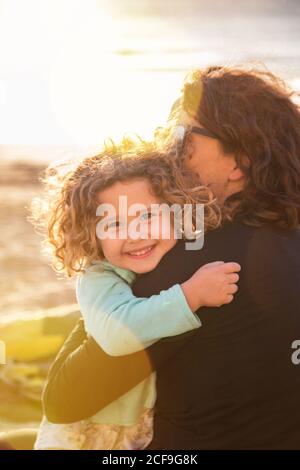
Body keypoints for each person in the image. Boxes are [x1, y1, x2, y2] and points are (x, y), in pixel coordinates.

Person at [42, 65, 300, 449]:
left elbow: (64, 400)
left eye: (182, 137)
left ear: (238, 163)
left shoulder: (197, 267)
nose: (168, 149)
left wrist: (105, 277)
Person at [33, 144, 240, 449]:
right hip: (85, 434)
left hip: (138, 427)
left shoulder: (177, 255)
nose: (135, 234)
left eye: (147, 217)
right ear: (91, 234)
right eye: (114, 224)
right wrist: (190, 296)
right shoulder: (98, 278)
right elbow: (118, 334)